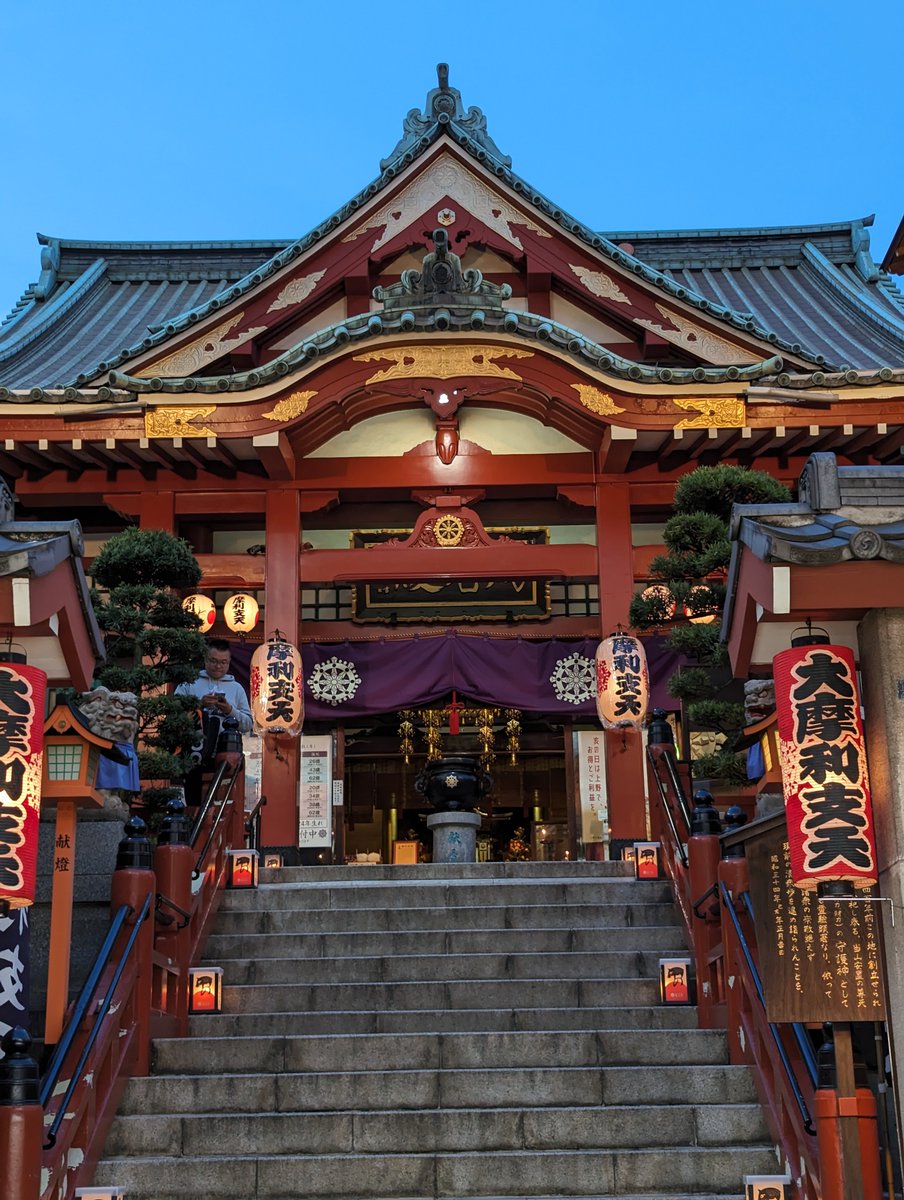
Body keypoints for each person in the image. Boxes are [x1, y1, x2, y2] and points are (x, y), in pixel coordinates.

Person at [176, 639, 252, 736]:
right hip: (193, 746)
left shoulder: (237, 688)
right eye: (213, 661)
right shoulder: (189, 683)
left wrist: (229, 710)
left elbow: (248, 725)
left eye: (223, 662)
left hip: (226, 747)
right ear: (205, 659)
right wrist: (199, 705)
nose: (218, 666)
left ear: (229, 662)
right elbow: (174, 718)